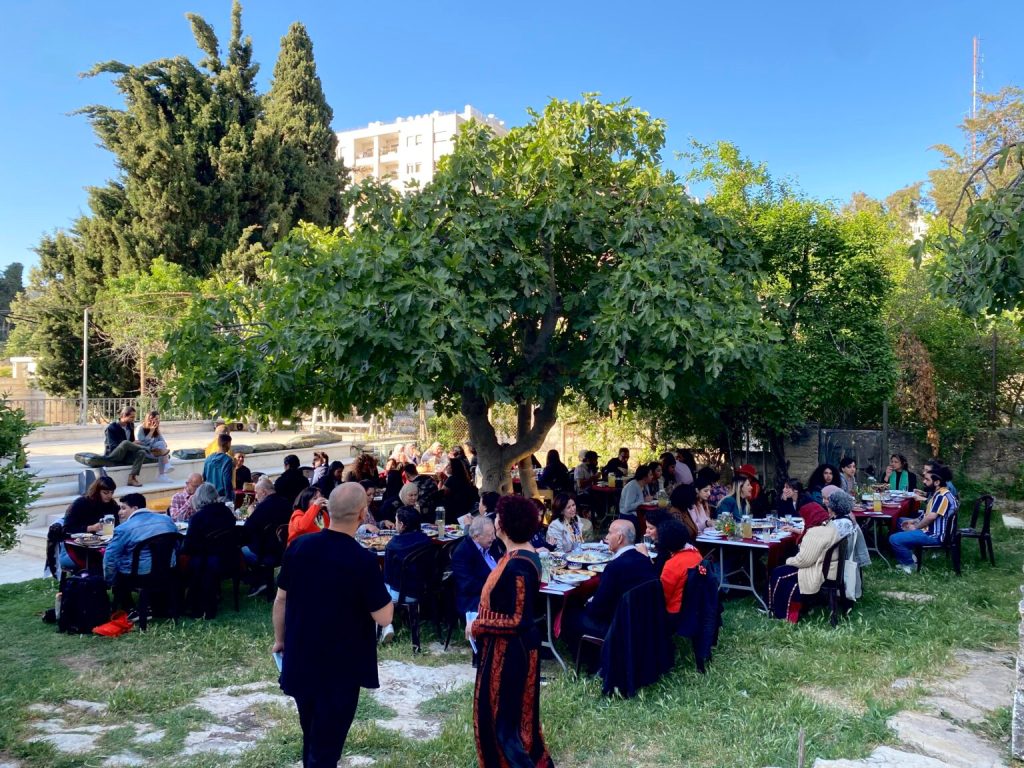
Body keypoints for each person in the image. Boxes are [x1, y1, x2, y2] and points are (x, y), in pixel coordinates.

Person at [272, 483, 394, 767]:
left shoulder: (299, 547)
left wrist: (280, 640)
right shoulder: (363, 560)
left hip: (301, 655)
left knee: (312, 734)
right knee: (326, 746)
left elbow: (281, 600)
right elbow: (384, 617)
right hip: (341, 666)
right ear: (362, 514)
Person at [468, 495, 553, 768]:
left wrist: (477, 625)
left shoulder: (519, 565)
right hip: (505, 648)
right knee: (508, 718)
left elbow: (518, 620)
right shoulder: (517, 555)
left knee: (504, 722)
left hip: (511, 652)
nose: (495, 521)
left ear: (504, 525)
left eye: (498, 517)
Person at [563, 519, 657, 648]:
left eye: (609, 533)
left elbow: (598, 610)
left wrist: (586, 604)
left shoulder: (614, 567)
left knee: (570, 614)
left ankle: (584, 655)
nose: (606, 537)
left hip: (617, 627)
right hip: (643, 623)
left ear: (619, 538)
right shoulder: (644, 559)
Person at [102, 492, 178, 615]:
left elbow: (110, 557)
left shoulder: (124, 528)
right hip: (168, 569)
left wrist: (108, 581)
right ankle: (154, 605)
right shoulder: (167, 520)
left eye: (123, 508)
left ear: (135, 508)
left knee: (118, 568)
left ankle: (128, 608)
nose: (119, 512)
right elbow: (176, 544)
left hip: (139, 575)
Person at [768, 502, 840, 623]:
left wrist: (788, 560)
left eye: (804, 518)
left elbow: (804, 561)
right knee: (781, 571)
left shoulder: (815, 532)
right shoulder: (830, 525)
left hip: (818, 570)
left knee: (778, 573)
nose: (804, 521)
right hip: (828, 567)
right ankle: (783, 607)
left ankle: (782, 612)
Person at [181, 482, 239, 618]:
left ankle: (187, 602)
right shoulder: (226, 512)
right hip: (229, 557)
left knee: (184, 559)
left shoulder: (198, 518)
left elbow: (189, 547)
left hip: (207, 561)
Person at [891, 464, 958, 574]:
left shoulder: (942, 496)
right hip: (932, 531)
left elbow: (931, 517)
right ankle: (911, 557)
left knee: (894, 539)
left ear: (937, 482)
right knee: (901, 522)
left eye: (927, 479)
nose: (924, 481)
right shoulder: (939, 493)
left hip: (935, 536)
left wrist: (916, 527)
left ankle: (909, 565)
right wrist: (913, 521)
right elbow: (927, 514)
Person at [242, 476, 292, 597]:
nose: (256, 496)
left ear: (264, 492)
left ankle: (257, 581)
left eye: (257, 493)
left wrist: (251, 513)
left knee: (240, 549)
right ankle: (262, 580)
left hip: (266, 552)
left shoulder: (263, 507)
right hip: (285, 549)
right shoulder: (286, 503)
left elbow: (247, 529)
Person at [59, 476, 120, 571]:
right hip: (76, 548)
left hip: (101, 545)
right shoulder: (81, 504)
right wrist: (90, 528)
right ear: (97, 491)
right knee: (101, 562)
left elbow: (117, 525)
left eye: (111, 493)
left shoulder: (112, 505)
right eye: (105, 493)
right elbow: (67, 529)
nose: (109, 496)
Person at [451, 515, 503, 617]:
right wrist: (495, 587)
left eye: (494, 533)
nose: (494, 537)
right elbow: (468, 585)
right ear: (476, 537)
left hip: (497, 590)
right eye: (490, 535)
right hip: (475, 598)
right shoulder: (462, 553)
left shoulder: (491, 544)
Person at [658, 518, 704, 625]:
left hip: (676, 612)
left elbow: (663, 596)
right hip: (696, 606)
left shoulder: (672, 564)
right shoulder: (696, 554)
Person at [101, 406, 146, 487]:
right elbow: (112, 446)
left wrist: (133, 444)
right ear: (123, 416)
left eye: (134, 417)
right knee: (125, 443)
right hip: (113, 455)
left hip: (125, 455)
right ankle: (150, 450)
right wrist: (131, 443)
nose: (133, 419)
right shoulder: (112, 428)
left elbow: (132, 443)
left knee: (141, 452)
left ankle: (132, 478)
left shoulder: (130, 425)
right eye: (131, 417)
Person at [136, 410, 173, 482]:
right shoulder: (140, 428)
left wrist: (157, 432)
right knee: (162, 451)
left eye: (159, 419)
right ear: (150, 419)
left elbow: (164, 444)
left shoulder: (156, 429)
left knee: (161, 448)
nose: (158, 421)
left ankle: (162, 474)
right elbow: (142, 443)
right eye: (156, 419)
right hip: (145, 452)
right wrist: (151, 432)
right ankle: (165, 469)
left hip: (155, 452)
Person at [440, 457, 479, 522]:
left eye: (449, 465)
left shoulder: (451, 479)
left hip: (453, 511)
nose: (446, 467)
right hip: (464, 510)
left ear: (453, 467)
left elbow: (440, 493)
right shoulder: (465, 479)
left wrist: (440, 480)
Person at [203, 433, 234, 500]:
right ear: (227, 443)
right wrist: (229, 498)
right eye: (230, 444)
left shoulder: (208, 459)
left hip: (209, 495)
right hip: (222, 496)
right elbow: (227, 480)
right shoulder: (227, 460)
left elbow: (204, 478)